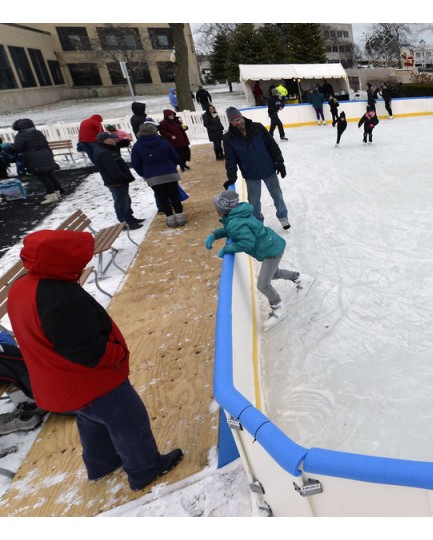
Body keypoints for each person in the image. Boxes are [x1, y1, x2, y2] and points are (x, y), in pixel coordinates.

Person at [7, 229, 184, 491]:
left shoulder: (23, 286)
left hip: (57, 382)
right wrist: (117, 355)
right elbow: (86, 350)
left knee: (91, 420)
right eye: (78, 261)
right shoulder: (59, 298)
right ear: (61, 261)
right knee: (129, 420)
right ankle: (146, 469)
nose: (83, 265)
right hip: (90, 382)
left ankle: (101, 464)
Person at [206, 191, 310, 330]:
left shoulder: (235, 221)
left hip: (271, 250)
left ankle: (278, 308)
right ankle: (300, 278)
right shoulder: (237, 215)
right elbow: (232, 230)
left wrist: (228, 248)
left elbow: (247, 242)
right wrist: (215, 234)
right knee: (274, 274)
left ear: (222, 209)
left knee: (263, 284)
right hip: (272, 244)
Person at [222, 107, 290, 229]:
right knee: (253, 201)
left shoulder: (257, 128)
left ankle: (283, 216)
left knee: (277, 195)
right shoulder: (229, 138)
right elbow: (230, 160)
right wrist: (231, 177)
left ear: (242, 116)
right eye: (234, 121)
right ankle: (258, 222)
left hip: (268, 168)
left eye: (239, 118)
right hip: (250, 173)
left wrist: (280, 162)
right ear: (230, 122)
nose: (238, 122)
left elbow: (272, 145)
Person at [132, 121, 186, 228]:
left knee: (162, 197)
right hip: (169, 173)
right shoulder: (163, 142)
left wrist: (144, 173)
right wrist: (172, 166)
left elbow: (136, 163)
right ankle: (180, 218)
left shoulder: (137, 146)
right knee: (174, 195)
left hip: (152, 176)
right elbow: (174, 156)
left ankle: (170, 219)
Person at [92, 132, 144, 230]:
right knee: (121, 202)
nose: (115, 140)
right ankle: (126, 222)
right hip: (116, 182)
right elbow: (113, 170)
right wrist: (123, 177)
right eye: (113, 139)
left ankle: (130, 218)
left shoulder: (106, 149)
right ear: (106, 141)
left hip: (118, 181)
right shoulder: (104, 152)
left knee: (125, 200)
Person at [11, 118, 64, 204]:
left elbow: (17, 148)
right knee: (50, 175)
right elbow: (45, 144)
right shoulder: (38, 132)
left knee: (43, 177)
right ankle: (57, 192)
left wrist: (11, 146)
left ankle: (51, 195)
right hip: (46, 155)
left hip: (33, 158)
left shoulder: (21, 135)